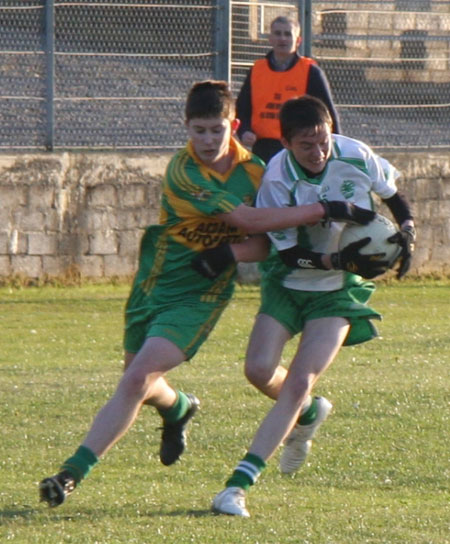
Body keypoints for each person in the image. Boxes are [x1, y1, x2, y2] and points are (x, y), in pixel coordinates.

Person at [38, 82, 374, 508]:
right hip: (155, 282)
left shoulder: (254, 173)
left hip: (201, 292)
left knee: (138, 377)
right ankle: (179, 407)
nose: (208, 141)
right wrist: (324, 208)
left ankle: (70, 474)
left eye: (217, 130)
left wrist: (229, 253)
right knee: (136, 380)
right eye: (199, 131)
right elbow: (247, 219)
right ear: (186, 129)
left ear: (233, 125)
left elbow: (263, 243)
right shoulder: (184, 172)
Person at [194, 95, 415, 517]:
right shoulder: (277, 177)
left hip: (337, 292)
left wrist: (406, 231)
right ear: (287, 144)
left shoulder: (354, 153)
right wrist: (336, 257)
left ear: (330, 128)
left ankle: (236, 488)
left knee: (297, 381)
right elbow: (290, 254)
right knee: (258, 370)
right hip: (290, 282)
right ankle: (309, 413)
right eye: (307, 145)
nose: (318, 152)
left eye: (323, 140)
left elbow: (394, 196)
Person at [236, 15, 340, 164]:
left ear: (298, 40)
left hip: (299, 147)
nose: (282, 39)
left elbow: (327, 112)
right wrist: (244, 130)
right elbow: (242, 107)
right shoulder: (257, 70)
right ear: (270, 39)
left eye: (287, 34)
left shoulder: (310, 71)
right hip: (263, 147)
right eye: (277, 34)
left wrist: (335, 150)